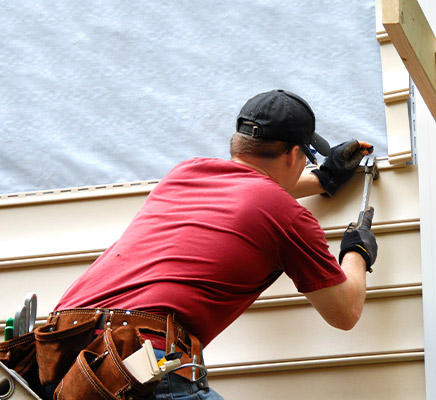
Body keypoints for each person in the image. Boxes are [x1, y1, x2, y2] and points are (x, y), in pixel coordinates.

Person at [47, 89, 378, 399]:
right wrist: (356, 251)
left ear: (239, 144)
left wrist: (323, 180)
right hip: (135, 357)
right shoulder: (287, 216)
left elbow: (246, 195)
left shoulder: (185, 174)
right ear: (294, 155)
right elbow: (344, 313)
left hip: (62, 351)